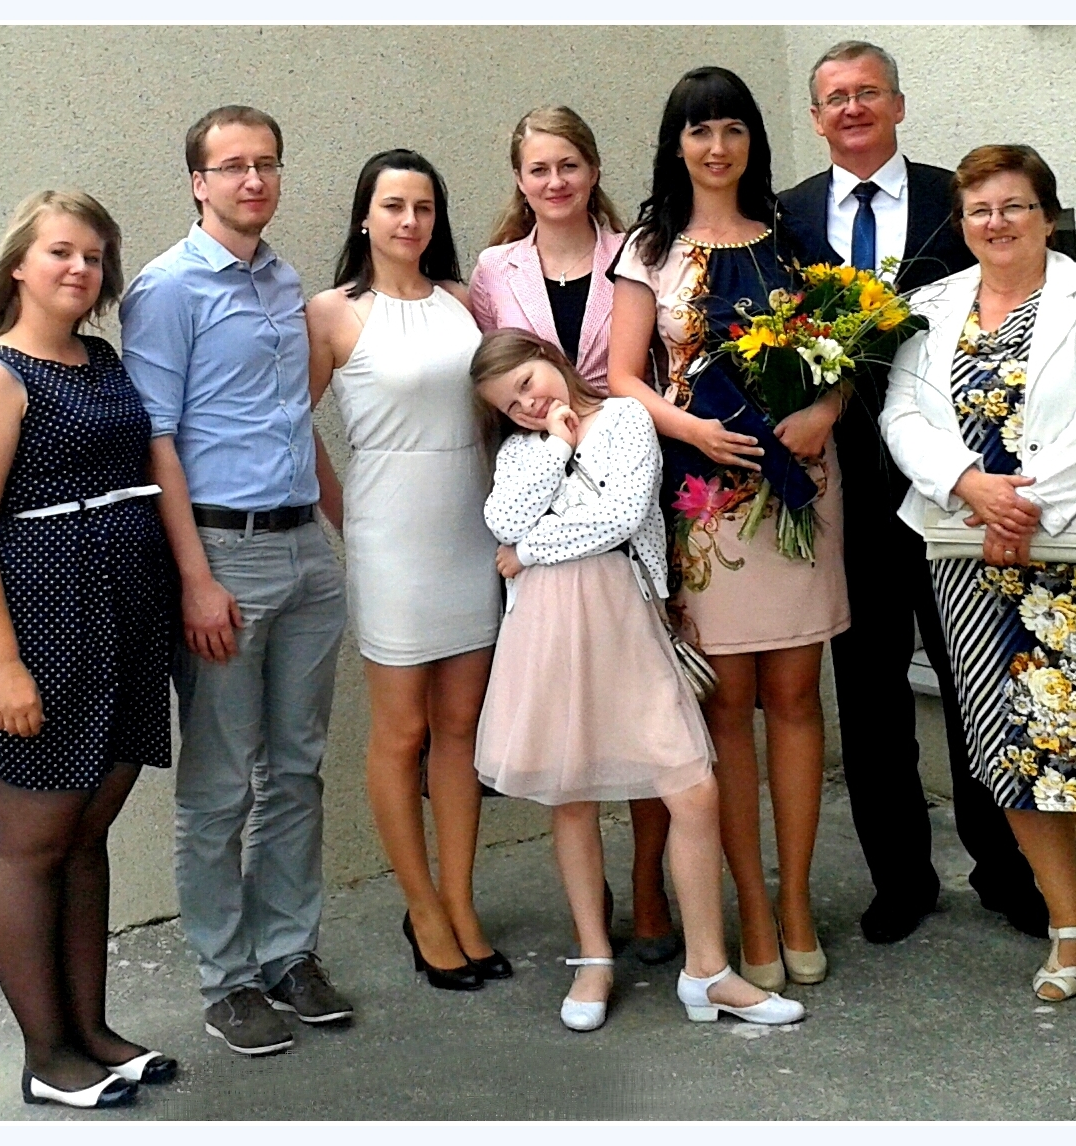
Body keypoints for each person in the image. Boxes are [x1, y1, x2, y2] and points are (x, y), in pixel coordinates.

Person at [882, 144, 1076, 1017]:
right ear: (961, 224)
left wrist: (1024, 506)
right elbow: (902, 416)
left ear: (1046, 216)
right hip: (964, 548)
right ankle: (1066, 924)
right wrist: (968, 486)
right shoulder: (930, 306)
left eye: (1013, 206)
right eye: (979, 210)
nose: (996, 223)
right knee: (1002, 751)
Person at [777, 40, 1047, 945]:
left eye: (868, 93)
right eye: (835, 98)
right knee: (868, 689)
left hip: (958, 482)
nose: (851, 109)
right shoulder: (787, 217)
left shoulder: (953, 200)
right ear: (815, 118)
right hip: (844, 490)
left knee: (978, 680)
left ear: (897, 104)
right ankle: (899, 878)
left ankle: (1005, 869)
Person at [470, 328, 806, 1031]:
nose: (528, 404)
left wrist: (530, 548)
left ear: (550, 359)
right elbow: (499, 518)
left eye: (528, 382)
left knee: (691, 786)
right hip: (547, 628)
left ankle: (707, 970)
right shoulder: (522, 451)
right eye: (510, 404)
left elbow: (620, 518)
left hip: (626, 614)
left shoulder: (624, 418)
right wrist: (553, 448)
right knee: (570, 793)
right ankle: (593, 957)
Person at [608, 66, 848, 995]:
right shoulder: (648, 249)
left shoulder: (795, 237)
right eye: (699, 130)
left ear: (754, 139)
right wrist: (691, 428)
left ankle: (796, 903)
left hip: (797, 491)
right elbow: (621, 377)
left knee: (795, 696)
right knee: (727, 704)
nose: (717, 147)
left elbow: (845, 351)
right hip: (704, 498)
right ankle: (749, 903)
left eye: (733, 128)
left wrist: (825, 409)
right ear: (676, 145)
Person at [120, 105, 352, 1056]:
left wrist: (342, 533)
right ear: (198, 183)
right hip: (223, 553)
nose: (253, 180)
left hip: (303, 552)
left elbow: (291, 417)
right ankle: (228, 979)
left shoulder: (282, 279)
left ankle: (289, 953)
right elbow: (156, 440)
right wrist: (195, 578)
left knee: (295, 769)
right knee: (220, 786)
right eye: (232, 166)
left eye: (267, 163)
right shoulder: (166, 289)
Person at [0, 190, 175, 1108]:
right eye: (62, 252)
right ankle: (47, 1056)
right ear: (19, 266)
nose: (81, 269)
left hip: (123, 621)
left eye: (94, 256)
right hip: (41, 629)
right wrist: (3, 666)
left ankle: (91, 1030)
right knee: (31, 846)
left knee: (86, 835)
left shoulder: (100, 360)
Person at [469, 105, 680, 966]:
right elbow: (497, 381)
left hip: (622, 456)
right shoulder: (495, 269)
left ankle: (648, 886)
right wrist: (539, 466)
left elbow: (649, 365)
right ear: (518, 181)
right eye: (537, 169)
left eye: (568, 165)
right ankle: (591, 917)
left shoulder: (636, 251)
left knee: (647, 711)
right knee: (573, 717)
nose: (554, 181)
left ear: (591, 169)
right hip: (539, 469)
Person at [306, 149, 505, 993]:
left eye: (423, 207)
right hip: (390, 538)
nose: (408, 221)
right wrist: (347, 515)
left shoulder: (462, 302)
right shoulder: (331, 313)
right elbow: (292, 430)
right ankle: (421, 909)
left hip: (469, 526)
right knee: (400, 733)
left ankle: (460, 902)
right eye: (392, 206)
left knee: (460, 726)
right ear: (365, 215)